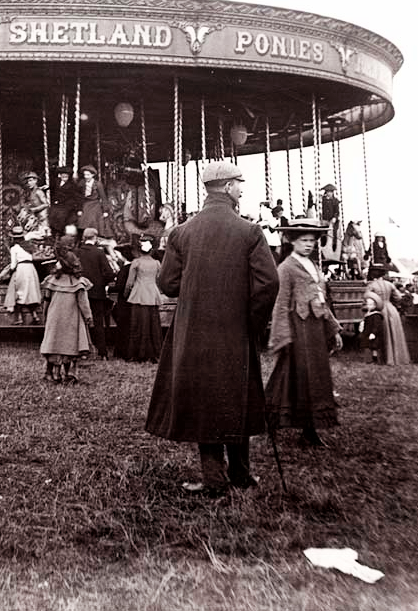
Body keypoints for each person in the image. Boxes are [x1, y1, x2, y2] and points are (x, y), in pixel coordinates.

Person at [145, 161, 279, 498]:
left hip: (193, 332)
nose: (242, 189)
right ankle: (241, 475)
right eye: (240, 183)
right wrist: (252, 320)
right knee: (237, 396)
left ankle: (214, 477)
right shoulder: (249, 232)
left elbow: (167, 283)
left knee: (203, 398)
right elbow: (268, 283)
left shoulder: (182, 232)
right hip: (236, 331)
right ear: (228, 186)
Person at [265, 219, 343, 448]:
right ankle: (270, 421)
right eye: (304, 240)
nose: (309, 245)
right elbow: (280, 303)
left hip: (315, 331)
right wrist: (282, 335)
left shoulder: (313, 265)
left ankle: (310, 432)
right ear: (293, 241)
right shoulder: (286, 267)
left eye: (312, 241)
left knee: (315, 380)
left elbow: (321, 300)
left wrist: (334, 329)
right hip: (297, 330)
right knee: (290, 376)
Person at [39, 243, 94, 384]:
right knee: (69, 346)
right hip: (72, 318)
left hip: (54, 317)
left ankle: (51, 373)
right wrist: (88, 317)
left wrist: (45, 315)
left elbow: (46, 299)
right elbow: (83, 303)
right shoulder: (79, 283)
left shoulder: (52, 281)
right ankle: (68, 374)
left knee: (53, 343)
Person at [124, 234, 164, 363]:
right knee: (154, 326)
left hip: (139, 294)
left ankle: (137, 353)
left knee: (137, 325)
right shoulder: (157, 263)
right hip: (152, 294)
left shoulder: (136, 263)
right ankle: (155, 353)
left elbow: (130, 283)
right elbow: (159, 281)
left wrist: (126, 294)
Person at [77, 227, 115, 359]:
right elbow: (109, 273)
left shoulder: (78, 252)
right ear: (95, 238)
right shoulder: (99, 253)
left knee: (80, 321)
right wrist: (102, 282)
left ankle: (83, 351)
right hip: (97, 292)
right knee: (98, 322)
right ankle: (103, 352)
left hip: (80, 291)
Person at [0, 225, 42, 325]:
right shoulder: (29, 246)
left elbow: (13, 265)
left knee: (18, 293)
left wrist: (9, 272)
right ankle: (35, 315)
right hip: (31, 269)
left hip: (21, 269)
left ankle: (19, 318)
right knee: (30, 292)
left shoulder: (14, 248)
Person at [365, 267, 411, 365]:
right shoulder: (390, 284)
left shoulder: (371, 286)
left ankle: (382, 358)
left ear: (372, 275)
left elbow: (367, 300)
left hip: (379, 309)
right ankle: (397, 357)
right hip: (391, 310)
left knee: (381, 333)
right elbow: (398, 298)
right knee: (393, 332)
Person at [76, 165, 110, 237]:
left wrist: (105, 210)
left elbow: (103, 197)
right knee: (82, 220)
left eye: (88, 175)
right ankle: (83, 237)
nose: (86, 176)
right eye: (85, 174)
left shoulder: (98, 184)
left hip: (95, 204)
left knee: (93, 219)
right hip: (85, 204)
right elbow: (78, 196)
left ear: (93, 175)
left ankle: (94, 237)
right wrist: (79, 209)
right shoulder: (82, 183)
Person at [48, 165, 82, 236]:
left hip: (67, 204)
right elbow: (53, 188)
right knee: (52, 212)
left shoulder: (72, 185)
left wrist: (79, 208)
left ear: (69, 177)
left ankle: (59, 232)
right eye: (63, 177)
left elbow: (77, 197)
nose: (64, 179)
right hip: (57, 203)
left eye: (66, 177)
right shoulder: (57, 181)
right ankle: (53, 231)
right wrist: (47, 188)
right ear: (60, 176)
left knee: (61, 215)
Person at [360, 293, 387, 365]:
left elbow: (377, 325)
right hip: (367, 332)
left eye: (371, 304)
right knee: (368, 346)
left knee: (375, 346)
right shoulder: (368, 314)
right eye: (368, 304)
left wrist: (373, 333)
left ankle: (376, 359)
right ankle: (369, 359)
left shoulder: (376, 315)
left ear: (375, 305)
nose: (369, 306)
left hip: (374, 333)